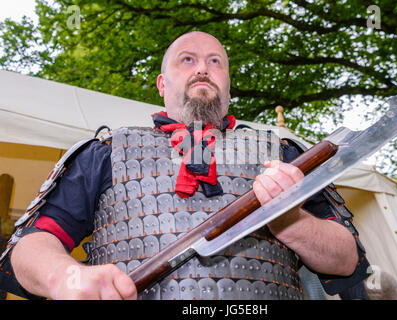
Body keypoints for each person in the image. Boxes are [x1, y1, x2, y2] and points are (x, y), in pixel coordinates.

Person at [0, 31, 369, 300]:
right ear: (162, 83)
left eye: (215, 62)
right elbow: (31, 245)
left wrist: (292, 219)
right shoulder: (105, 152)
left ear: (228, 86)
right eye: (187, 60)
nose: (202, 69)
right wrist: (62, 276)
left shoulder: (287, 155)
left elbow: (346, 260)